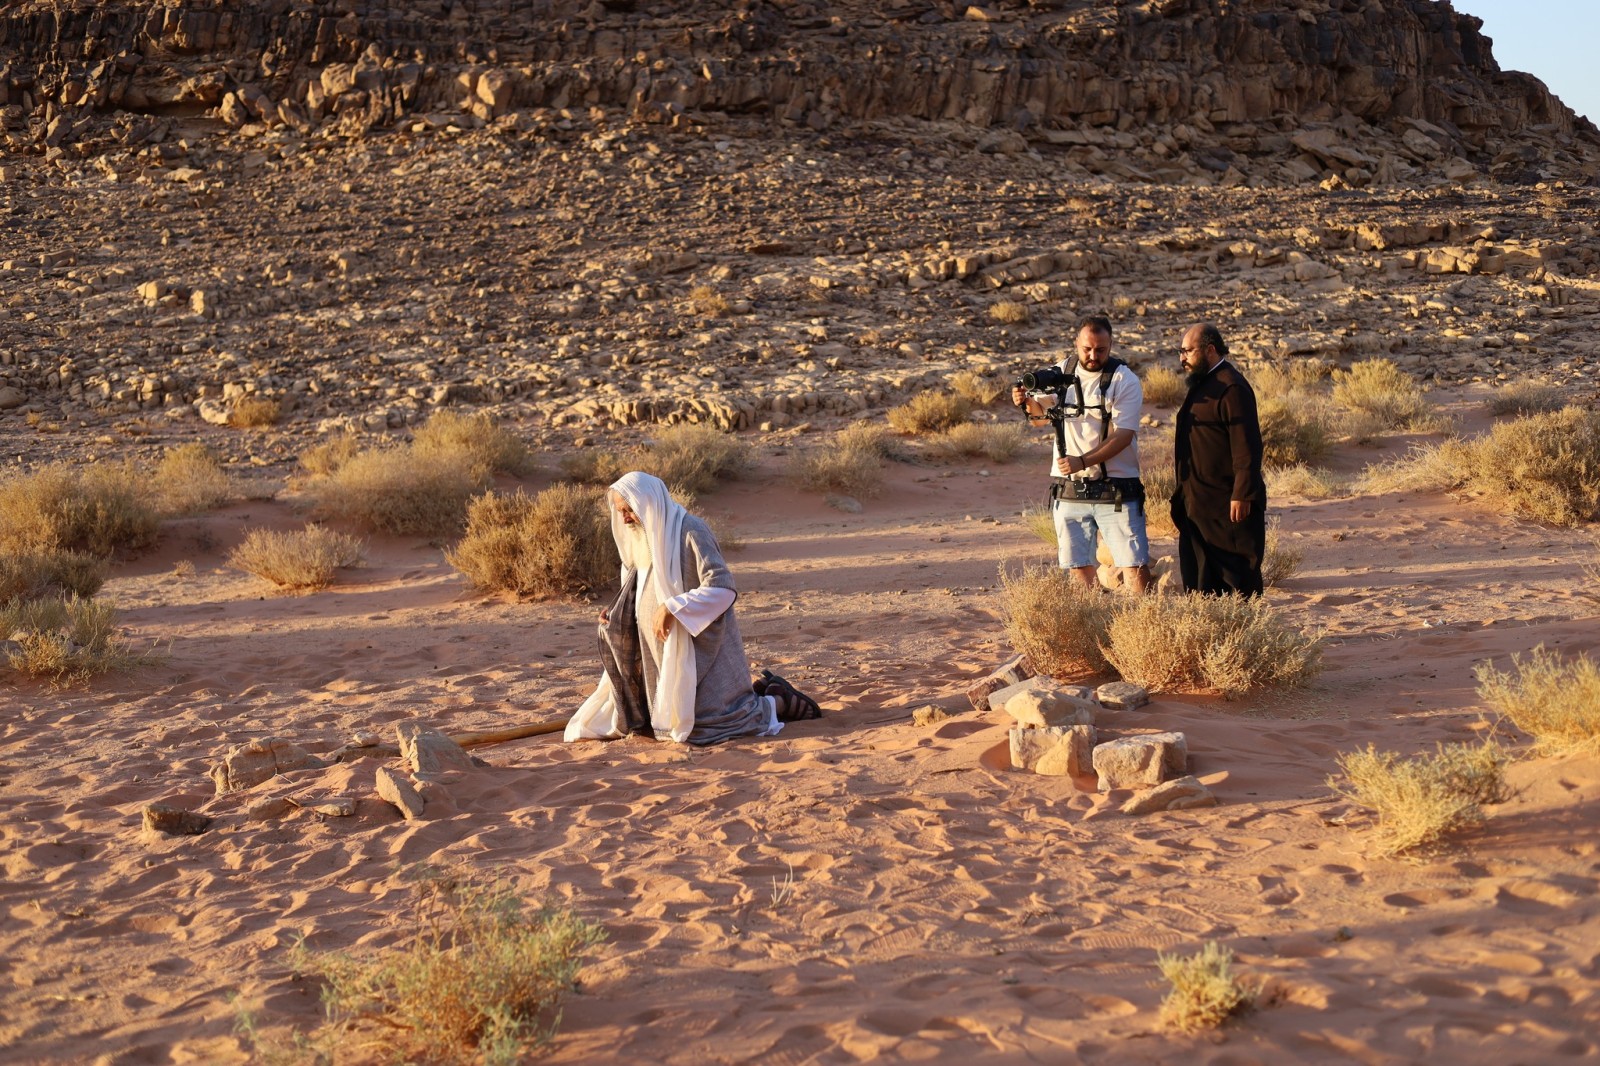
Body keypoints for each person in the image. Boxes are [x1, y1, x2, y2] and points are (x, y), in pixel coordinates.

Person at [565, 471, 820, 746]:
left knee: (708, 727)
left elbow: (722, 587)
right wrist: (614, 612)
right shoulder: (642, 537)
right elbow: (637, 583)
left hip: (698, 647)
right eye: (620, 512)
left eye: (629, 510)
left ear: (648, 503)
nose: (625, 518)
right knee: (659, 721)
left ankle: (778, 701)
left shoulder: (690, 529)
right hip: (658, 648)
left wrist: (674, 608)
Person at [1011, 315, 1149, 593]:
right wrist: (1025, 403)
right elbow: (1040, 417)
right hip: (1070, 489)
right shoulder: (1064, 370)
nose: (1093, 355)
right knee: (1077, 565)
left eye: (1101, 349)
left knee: (1133, 564)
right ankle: (1096, 621)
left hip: (1117, 488)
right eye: (1087, 348)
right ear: (1076, 343)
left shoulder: (1124, 380)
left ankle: (1142, 623)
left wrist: (1083, 461)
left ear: (1111, 345)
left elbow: (1123, 436)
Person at [1172, 323, 1267, 596]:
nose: (1182, 358)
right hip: (1199, 504)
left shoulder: (1231, 387)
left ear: (1210, 350)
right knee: (1200, 577)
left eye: (1188, 351)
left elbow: (1247, 445)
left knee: (1235, 577)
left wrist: (1243, 493)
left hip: (1227, 505)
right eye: (1181, 351)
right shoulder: (1204, 383)